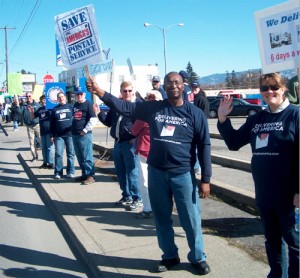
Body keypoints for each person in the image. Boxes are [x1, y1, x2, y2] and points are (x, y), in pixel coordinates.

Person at [87, 72, 212, 275]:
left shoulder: (195, 113)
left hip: (183, 175)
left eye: (177, 82)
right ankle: (170, 256)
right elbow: (124, 107)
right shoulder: (153, 108)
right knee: (162, 219)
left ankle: (197, 257)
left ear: (183, 86)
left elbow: (204, 146)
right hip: (157, 174)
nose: (173, 86)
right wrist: (100, 92)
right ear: (163, 86)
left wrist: (205, 179)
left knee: (191, 219)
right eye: (169, 83)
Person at [217, 72, 299, 278]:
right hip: (265, 193)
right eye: (265, 88)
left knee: (295, 243)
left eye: (274, 87)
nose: (269, 91)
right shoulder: (258, 118)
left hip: (290, 196)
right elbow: (234, 143)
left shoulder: (295, 116)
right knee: (272, 240)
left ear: (284, 89)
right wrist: (222, 118)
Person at [94, 81, 142, 211]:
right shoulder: (116, 107)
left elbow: (144, 125)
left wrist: (135, 138)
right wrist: (99, 113)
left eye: (129, 91)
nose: (127, 93)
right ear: (120, 92)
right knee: (121, 172)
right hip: (118, 143)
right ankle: (126, 196)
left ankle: (137, 198)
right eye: (124, 91)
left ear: (133, 91)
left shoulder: (137, 106)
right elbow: (108, 122)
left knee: (132, 172)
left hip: (129, 144)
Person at [131, 90, 162, 219]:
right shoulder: (165, 113)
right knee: (160, 182)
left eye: (149, 98)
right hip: (161, 151)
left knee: (144, 181)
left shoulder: (145, 115)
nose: (148, 100)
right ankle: (160, 207)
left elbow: (133, 131)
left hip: (145, 150)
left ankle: (148, 208)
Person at [72, 90, 98, 185]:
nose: (79, 96)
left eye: (81, 94)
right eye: (77, 94)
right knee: (80, 156)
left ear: (84, 95)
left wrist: (85, 130)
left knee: (87, 156)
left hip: (84, 135)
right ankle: (84, 174)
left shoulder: (88, 104)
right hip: (75, 134)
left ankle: (91, 175)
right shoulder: (75, 105)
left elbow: (93, 119)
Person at [50, 92, 75, 179]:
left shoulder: (71, 107)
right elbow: (52, 124)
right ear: (57, 99)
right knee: (58, 154)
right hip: (58, 135)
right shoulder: (54, 110)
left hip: (70, 135)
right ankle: (58, 172)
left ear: (65, 97)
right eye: (59, 97)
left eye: (62, 96)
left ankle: (70, 172)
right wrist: (51, 135)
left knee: (70, 154)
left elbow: (76, 118)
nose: (61, 98)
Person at [29, 95, 54, 169]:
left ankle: (51, 163)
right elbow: (34, 116)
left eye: (45, 100)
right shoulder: (40, 109)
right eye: (42, 100)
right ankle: (45, 162)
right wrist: (31, 111)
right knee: (44, 148)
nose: (44, 101)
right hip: (42, 131)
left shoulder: (51, 108)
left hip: (49, 131)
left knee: (50, 148)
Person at [22, 92, 41, 161]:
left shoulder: (37, 105)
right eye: (27, 96)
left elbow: (40, 113)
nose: (28, 97)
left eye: (29, 96)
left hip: (37, 125)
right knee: (31, 142)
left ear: (32, 96)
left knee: (40, 140)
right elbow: (20, 112)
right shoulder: (24, 106)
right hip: (29, 126)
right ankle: (34, 156)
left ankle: (45, 156)